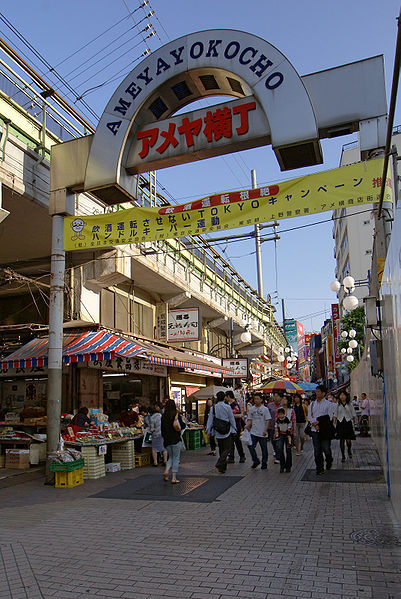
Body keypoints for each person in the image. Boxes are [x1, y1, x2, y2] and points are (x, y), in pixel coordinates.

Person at [206, 391, 236, 473]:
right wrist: (234, 428)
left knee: (221, 449)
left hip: (218, 430)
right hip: (227, 430)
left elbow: (210, 420)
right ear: (224, 398)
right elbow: (231, 419)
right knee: (227, 448)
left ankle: (222, 468)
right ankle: (220, 463)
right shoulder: (227, 407)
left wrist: (208, 430)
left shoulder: (213, 408)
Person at [308, 385, 334, 475]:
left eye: (319, 391)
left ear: (323, 393)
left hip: (325, 430)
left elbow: (329, 417)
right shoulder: (312, 404)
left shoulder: (328, 404)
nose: (317, 393)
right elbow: (309, 416)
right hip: (314, 430)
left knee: (326, 448)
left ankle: (329, 459)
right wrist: (314, 423)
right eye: (316, 391)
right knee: (317, 450)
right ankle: (319, 468)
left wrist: (319, 422)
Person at [161, 399, 185, 484]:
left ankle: (166, 470)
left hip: (167, 440)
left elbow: (162, 430)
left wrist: (164, 438)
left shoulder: (163, 416)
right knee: (176, 458)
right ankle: (174, 478)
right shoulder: (176, 415)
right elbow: (182, 425)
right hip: (176, 439)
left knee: (170, 457)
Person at [245, 393, 271, 470]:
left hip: (262, 432)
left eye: (257, 399)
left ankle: (264, 462)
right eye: (255, 399)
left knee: (264, 449)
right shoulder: (252, 409)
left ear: (261, 400)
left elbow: (267, 420)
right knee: (250, 446)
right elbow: (250, 420)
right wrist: (247, 425)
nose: (256, 400)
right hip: (253, 431)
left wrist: (265, 430)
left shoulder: (265, 409)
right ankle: (255, 460)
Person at [333, 391, 357, 461]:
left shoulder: (350, 404)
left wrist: (355, 423)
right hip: (340, 423)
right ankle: (343, 455)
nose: (342, 396)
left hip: (348, 422)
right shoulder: (338, 405)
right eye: (341, 395)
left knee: (348, 440)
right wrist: (334, 424)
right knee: (341, 440)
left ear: (346, 396)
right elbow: (335, 415)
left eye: (343, 395)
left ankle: (349, 450)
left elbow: (353, 414)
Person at [225, 390, 246, 464]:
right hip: (231, 426)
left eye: (226, 396)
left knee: (237, 442)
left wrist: (230, 416)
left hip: (236, 426)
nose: (225, 398)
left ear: (228, 396)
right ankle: (232, 457)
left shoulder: (234, 404)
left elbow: (239, 415)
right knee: (231, 442)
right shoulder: (229, 404)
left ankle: (241, 456)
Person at [274, 407, 293, 473]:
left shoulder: (287, 419)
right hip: (280, 434)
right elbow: (276, 427)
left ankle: (288, 466)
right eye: (279, 414)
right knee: (280, 449)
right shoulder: (277, 420)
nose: (280, 415)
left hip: (286, 434)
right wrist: (276, 434)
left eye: (281, 414)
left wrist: (289, 431)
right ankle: (282, 466)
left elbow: (289, 426)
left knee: (288, 450)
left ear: (284, 414)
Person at [267, 392, 282, 464]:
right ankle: (276, 452)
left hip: (280, 427)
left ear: (280, 397)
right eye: (274, 396)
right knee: (273, 442)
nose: (275, 398)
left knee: (279, 442)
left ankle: (278, 456)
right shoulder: (270, 405)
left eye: (277, 396)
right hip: (271, 426)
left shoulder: (283, 405)